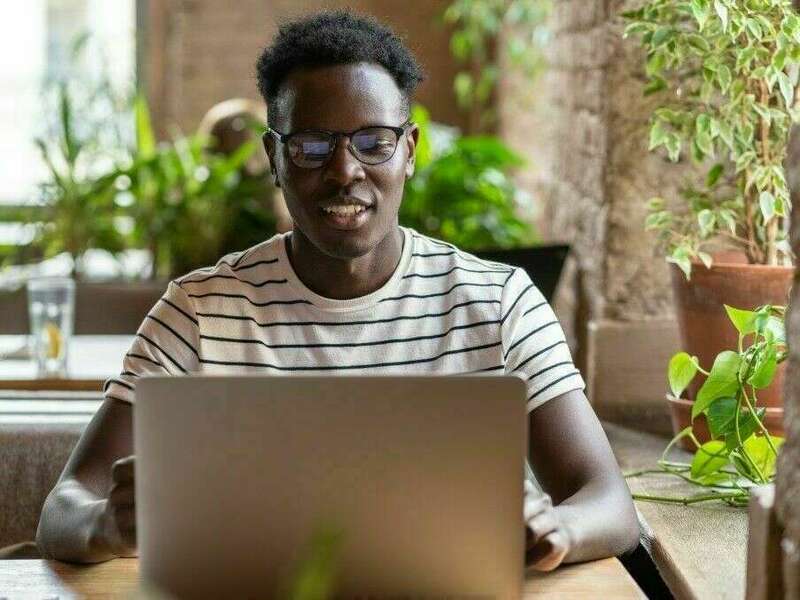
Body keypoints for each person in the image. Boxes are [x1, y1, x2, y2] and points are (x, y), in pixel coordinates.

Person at [36, 10, 640, 570]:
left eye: (373, 141)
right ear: (274, 158)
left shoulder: (499, 303)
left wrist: (558, 529)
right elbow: (64, 507)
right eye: (313, 146)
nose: (345, 170)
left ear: (408, 153)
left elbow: (610, 504)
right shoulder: (200, 311)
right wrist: (105, 528)